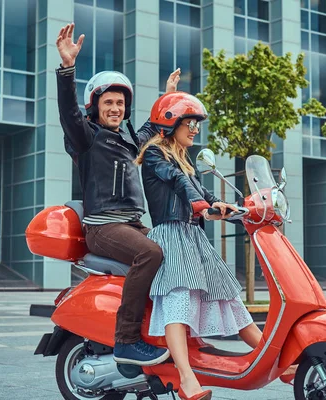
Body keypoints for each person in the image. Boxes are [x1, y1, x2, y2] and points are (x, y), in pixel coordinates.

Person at [55, 23, 181, 366]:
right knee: (151, 254)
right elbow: (68, 113)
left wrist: (167, 96)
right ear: (95, 106)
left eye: (121, 103)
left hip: (130, 224)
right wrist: (67, 69)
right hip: (103, 228)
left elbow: (153, 127)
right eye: (108, 102)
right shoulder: (86, 137)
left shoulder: (128, 142)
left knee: (179, 252)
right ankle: (126, 340)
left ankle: (165, 332)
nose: (116, 108)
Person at [135, 92, 264, 400]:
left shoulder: (184, 158)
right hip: (171, 236)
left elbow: (201, 192)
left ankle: (275, 357)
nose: (194, 129)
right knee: (178, 305)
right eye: (189, 123)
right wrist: (200, 204)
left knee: (230, 298)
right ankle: (186, 378)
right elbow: (180, 184)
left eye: (196, 124)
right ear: (170, 124)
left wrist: (233, 209)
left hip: (192, 238)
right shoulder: (156, 155)